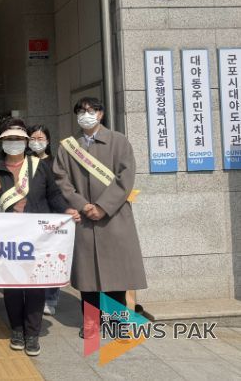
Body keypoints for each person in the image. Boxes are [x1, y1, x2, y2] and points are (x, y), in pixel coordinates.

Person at [0, 118, 79, 356]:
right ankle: (17, 329)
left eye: (18, 138)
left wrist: (66, 210)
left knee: (35, 285)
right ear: (1, 141)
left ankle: (32, 333)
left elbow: (53, 195)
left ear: (25, 141)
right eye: (9, 138)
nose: (14, 142)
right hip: (8, 238)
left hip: (37, 237)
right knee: (12, 286)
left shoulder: (39, 166)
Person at [52, 97, 147, 339]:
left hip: (113, 218)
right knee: (87, 279)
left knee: (117, 276)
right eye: (81, 111)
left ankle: (117, 323)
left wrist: (103, 207)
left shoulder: (119, 141)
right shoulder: (68, 147)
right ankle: (91, 324)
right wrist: (83, 205)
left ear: (101, 114)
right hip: (84, 220)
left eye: (91, 110)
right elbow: (62, 180)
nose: (86, 114)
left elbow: (126, 177)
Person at [27, 124, 59, 317]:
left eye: (40, 138)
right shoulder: (25, 161)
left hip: (51, 217)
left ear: (48, 141)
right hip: (30, 219)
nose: (36, 142)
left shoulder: (55, 163)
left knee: (51, 259)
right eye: (33, 138)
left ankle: (51, 299)